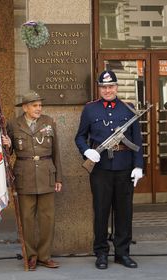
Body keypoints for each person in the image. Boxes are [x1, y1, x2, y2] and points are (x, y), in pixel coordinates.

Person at [75, 70, 143, 269]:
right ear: (99, 88)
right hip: (101, 169)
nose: (107, 90)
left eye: (111, 86)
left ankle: (122, 253)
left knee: (124, 212)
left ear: (117, 87)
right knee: (101, 211)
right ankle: (101, 253)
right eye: (104, 87)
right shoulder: (90, 110)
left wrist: (138, 166)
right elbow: (80, 136)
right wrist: (87, 151)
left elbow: (138, 140)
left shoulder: (128, 108)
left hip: (124, 167)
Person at [2, 90, 62, 271]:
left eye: (40, 105)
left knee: (47, 219)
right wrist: (8, 144)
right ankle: (31, 256)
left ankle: (44, 256)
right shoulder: (13, 124)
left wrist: (58, 177)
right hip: (24, 176)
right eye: (35, 106)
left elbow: (56, 152)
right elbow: (9, 153)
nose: (39, 108)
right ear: (25, 107)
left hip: (46, 174)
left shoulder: (48, 122)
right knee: (27, 219)